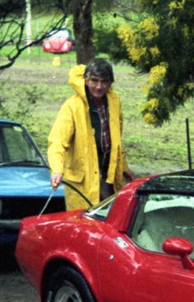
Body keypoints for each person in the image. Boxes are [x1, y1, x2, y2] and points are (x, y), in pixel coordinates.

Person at [47, 58, 132, 211]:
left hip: (108, 176)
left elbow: (117, 142)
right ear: (85, 80)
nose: (99, 87)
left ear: (110, 83)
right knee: (84, 223)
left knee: (111, 220)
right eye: (94, 81)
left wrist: (125, 169)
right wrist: (57, 170)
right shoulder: (72, 106)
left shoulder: (114, 102)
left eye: (104, 81)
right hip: (83, 181)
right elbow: (57, 142)